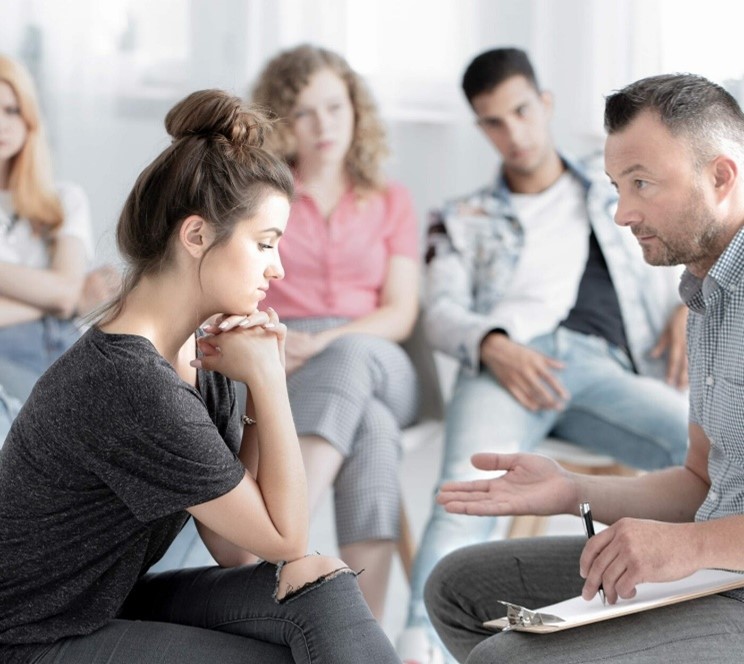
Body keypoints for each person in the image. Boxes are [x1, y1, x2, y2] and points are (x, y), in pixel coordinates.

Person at [0, 88, 400, 663]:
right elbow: (285, 537)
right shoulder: (128, 383)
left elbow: (237, 550)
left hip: (105, 605)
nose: (278, 268)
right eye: (264, 244)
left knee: (321, 586)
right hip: (32, 638)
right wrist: (268, 379)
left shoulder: (197, 354)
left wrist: (256, 390)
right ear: (196, 236)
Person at [425, 71, 744, 664]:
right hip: (714, 568)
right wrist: (571, 491)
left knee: (507, 659)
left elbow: (699, 525)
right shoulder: (704, 297)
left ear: (720, 176)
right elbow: (701, 484)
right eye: (617, 186)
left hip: (730, 583)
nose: (623, 213)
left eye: (642, 184)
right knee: (459, 587)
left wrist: (690, 546)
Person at [248, 44, 421, 620]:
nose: (324, 126)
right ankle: (369, 637)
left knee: (353, 360)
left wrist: (324, 342)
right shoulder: (261, 199)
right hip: (286, 359)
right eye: (303, 112)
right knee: (372, 429)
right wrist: (278, 347)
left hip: (375, 354)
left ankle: (279, 527)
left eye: (335, 107)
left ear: (355, 111)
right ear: (281, 123)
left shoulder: (391, 199)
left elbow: (400, 312)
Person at [0, 54, 95, 403]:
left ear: (28, 118)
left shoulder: (64, 199)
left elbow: (65, 292)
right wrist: (59, 298)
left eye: (11, 110)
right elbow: (69, 295)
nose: (2, 124)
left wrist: (65, 299)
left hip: (69, 346)